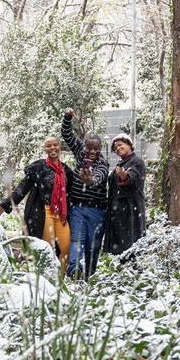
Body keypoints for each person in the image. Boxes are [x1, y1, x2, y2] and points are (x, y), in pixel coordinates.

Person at [0, 137, 74, 269]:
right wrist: (4, 205)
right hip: (43, 213)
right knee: (46, 249)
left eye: (55, 145)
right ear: (45, 149)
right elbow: (22, 188)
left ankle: (59, 281)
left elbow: (73, 192)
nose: (52, 148)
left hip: (61, 215)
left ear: (60, 147)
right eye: (49, 146)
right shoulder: (38, 168)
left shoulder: (66, 170)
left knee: (66, 248)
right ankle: (45, 280)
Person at [61, 108, 109, 279]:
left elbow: (97, 178)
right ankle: (74, 271)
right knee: (77, 241)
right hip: (78, 209)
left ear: (100, 148)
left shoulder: (103, 164)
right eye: (89, 148)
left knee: (93, 247)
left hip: (97, 211)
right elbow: (66, 134)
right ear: (85, 146)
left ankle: (89, 276)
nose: (92, 152)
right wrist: (67, 117)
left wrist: (88, 181)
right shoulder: (80, 153)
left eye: (96, 148)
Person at [104, 133, 146, 255]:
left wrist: (125, 177)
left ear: (129, 145)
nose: (118, 148)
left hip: (129, 210)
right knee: (120, 244)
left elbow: (134, 177)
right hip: (118, 210)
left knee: (129, 243)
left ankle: (131, 269)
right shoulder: (121, 164)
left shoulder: (136, 161)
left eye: (120, 145)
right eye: (115, 147)